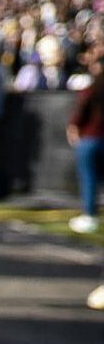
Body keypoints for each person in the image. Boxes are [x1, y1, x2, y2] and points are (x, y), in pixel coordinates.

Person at [66, 55, 104, 234]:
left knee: (89, 179)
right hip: (94, 139)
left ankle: (90, 216)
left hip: (91, 139)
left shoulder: (91, 90)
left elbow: (80, 115)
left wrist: (74, 130)